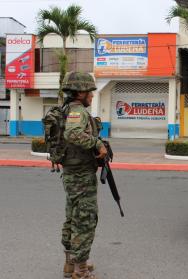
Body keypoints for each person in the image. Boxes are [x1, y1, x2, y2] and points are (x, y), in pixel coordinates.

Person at [61, 72, 107, 279]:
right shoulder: (77, 112)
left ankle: (71, 263)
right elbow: (72, 134)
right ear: (80, 92)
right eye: (90, 91)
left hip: (72, 174)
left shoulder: (67, 109)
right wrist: (97, 144)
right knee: (85, 220)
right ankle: (80, 271)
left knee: (73, 217)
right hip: (80, 176)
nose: (92, 95)